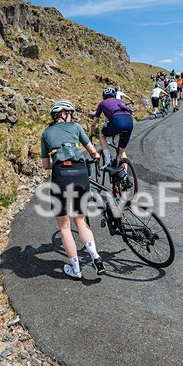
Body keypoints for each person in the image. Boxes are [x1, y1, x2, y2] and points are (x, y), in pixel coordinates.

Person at [40, 100, 105, 279]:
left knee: (64, 226)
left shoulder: (46, 133)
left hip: (61, 174)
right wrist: (97, 155)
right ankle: (96, 257)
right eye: (70, 113)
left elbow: (46, 165)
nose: (72, 116)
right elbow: (92, 151)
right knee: (81, 220)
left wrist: (60, 159)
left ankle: (76, 270)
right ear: (64, 114)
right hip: (80, 172)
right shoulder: (76, 127)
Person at [90, 87, 134, 167]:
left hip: (117, 120)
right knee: (122, 152)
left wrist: (90, 134)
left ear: (104, 96)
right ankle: (125, 174)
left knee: (102, 134)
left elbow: (93, 123)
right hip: (129, 121)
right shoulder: (120, 101)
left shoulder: (102, 103)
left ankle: (108, 160)